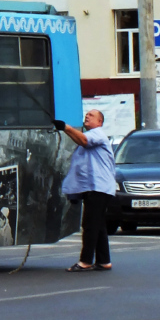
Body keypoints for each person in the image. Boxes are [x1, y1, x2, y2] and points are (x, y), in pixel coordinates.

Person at [57, 109, 116, 272]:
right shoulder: (89, 138)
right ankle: (104, 261)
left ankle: (86, 261)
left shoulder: (98, 134)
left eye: (92, 115)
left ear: (100, 122)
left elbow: (82, 140)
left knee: (90, 224)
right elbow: (80, 140)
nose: (87, 116)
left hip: (99, 187)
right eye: (86, 115)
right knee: (98, 225)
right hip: (96, 187)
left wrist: (66, 127)